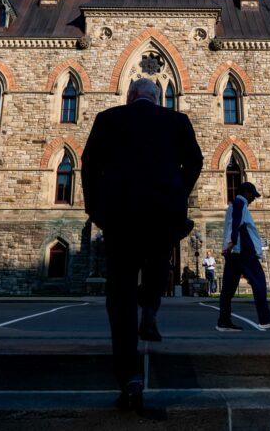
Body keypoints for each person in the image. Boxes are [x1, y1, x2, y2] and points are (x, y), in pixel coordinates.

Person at [81, 78, 203, 411]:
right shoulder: (177, 120)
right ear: (157, 96)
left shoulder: (108, 118)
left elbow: (89, 165)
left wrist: (94, 207)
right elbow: (195, 161)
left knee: (119, 292)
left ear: (130, 96)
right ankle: (150, 307)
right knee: (159, 258)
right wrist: (178, 189)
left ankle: (130, 378)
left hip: (120, 214)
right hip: (164, 210)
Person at [217, 182, 270, 332]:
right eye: (252, 195)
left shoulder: (233, 205)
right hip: (244, 252)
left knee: (228, 290)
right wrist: (233, 241)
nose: (253, 198)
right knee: (259, 282)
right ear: (246, 192)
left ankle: (223, 321)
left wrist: (229, 245)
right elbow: (236, 224)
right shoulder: (240, 203)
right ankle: (266, 319)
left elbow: (231, 224)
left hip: (234, 253)